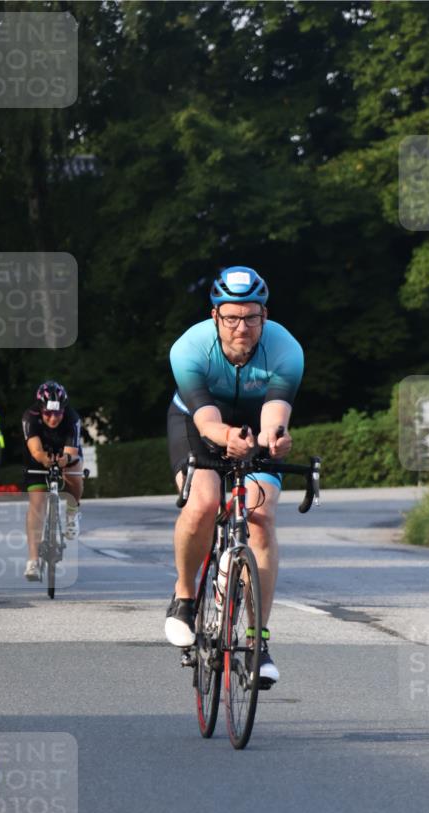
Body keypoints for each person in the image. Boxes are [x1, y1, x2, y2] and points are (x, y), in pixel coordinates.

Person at [165, 265, 304, 687]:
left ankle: (257, 641)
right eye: (231, 317)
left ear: (265, 315)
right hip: (198, 423)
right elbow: (206, 420)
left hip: (254, 424)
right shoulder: (188, 348)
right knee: (203, 503)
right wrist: (226, 437)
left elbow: (274, 412)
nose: (241, 327)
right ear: (215, 317)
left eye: (251, 317)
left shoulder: (286, 349)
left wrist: (274, 438)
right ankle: (185, 597)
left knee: (261, 521)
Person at [21, 381, 84, 581]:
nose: (53, 418)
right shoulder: (29, 417)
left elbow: (71, 453)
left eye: (58, 413)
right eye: (48, 413)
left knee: (74, 472)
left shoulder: (72, 419)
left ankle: (72, 512)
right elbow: (36, 450)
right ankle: (33, 561)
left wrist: (64, 461)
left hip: (65, 454)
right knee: (36, 505)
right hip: (40, 456)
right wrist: (45, 460)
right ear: (40, 410)